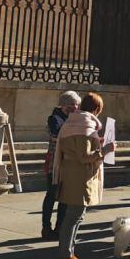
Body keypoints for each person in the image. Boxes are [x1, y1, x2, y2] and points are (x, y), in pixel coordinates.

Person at [54, 92, 114, 259]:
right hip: (79, 177)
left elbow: (78, 147)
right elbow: (83, 156)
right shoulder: (84, 125)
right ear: (96, 109)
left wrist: (97, 142)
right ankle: (65, 257)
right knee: (73, 218)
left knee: (74, 217)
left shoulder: (73, 122)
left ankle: (69, 253)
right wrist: (104, 149)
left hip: (73, 174)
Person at [43, 91, 80, 240]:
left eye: (77, 104)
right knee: (51, 195)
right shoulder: (55, 118)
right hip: (55, 162)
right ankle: (46, 227)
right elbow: (58, 133)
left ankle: (60, 227)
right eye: (72, 104)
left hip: (68, 162)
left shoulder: (73, 118)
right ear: (63, 105)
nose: (75, 107)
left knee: (64, 197)